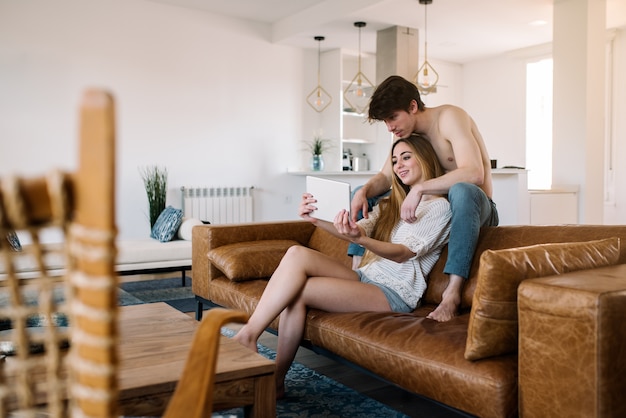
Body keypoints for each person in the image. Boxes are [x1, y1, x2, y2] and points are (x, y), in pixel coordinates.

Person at [234, 134, 451, 399]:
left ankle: (274, 376)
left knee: (298, 291)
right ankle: (249, 335)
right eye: (394, 161)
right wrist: (316, 220)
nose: (399, 166)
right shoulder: (392, 203)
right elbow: (354, 232)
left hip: (394, 293)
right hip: (366, 277)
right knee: (296, 254)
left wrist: (363, 240)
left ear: (426, 159)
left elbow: (402, 255)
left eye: (406, 157)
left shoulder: (439, 207)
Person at [350, 75, 499, 323]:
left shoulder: (450, 118)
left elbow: (474, 173)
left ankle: (452, 293)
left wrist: (420, 190)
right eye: (385, 121)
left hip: (475, 205)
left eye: (393, 118)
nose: (390, 127)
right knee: (362, 192)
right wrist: (364, 190)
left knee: (460, 190)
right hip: (436, 208)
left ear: (412, 106)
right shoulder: (403, 134)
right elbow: (385, 178)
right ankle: (356, 272)